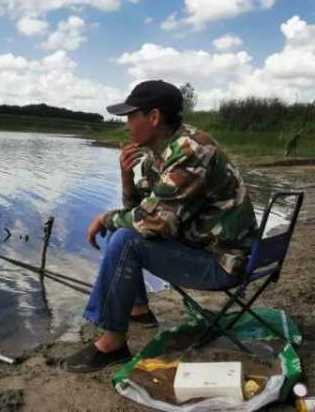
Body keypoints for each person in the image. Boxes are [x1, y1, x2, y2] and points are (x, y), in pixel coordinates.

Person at [63, 80, 258, 373]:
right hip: (205, 248)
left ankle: (112, 344)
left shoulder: (190, 151)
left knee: (125, 238)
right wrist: (126, 178)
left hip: (225, 263)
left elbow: (154, 223)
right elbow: (140, 213)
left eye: (131, 116)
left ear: (153, 118)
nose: (126, 124)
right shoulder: (159, 154)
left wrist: (104, 218)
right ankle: (138, 309)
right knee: (124, 232)